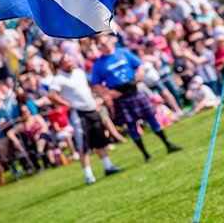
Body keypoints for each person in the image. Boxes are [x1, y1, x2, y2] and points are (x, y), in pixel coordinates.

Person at [91, 34, 182, 162]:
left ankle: (168, 144)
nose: (104, 46)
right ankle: (146, 155)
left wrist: (140, 73)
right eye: (101, 45)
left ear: (110, 42)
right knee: (131, 125)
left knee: (151, 117)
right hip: (120, 95)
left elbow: (140, 64)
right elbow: (96, 84)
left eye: (105, 42)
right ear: (99, 48)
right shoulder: (99, 64)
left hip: (134, 90)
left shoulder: (123, 52)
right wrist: (109, 93)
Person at [48, 55, 123, 184]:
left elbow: (89, 87)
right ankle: (88, 175)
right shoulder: (59, 79)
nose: (69, 63)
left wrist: (96, 99)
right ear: (60, 65)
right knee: (84, 145)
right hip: (79, 113)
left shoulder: (79, 72)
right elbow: (51, 95)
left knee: (100, 140)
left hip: (92, 109)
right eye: (66, 62)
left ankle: (108, 166)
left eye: (70, 60)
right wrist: (67, 105)